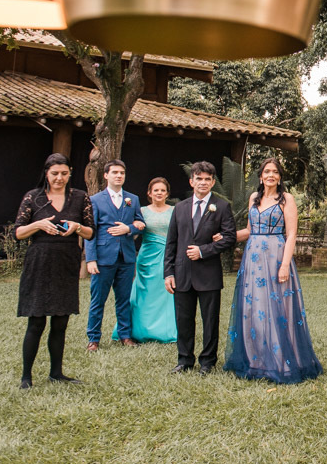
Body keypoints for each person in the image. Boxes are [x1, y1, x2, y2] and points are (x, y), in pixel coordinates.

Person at [224, 157, 323, 384]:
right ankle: (257, 360)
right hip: (253, 259)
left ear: (280, 177)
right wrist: (225, 237)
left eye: (275, 172)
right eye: (267, 171)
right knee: (254, 307)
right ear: (261, 176)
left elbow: (291, 234)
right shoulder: (254, 198)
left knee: (280, 308)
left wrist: (285, 264)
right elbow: (249, 230)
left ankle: (283, 360)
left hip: (276, 256)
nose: (271, 175)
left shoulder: (286, 199)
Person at [13, 153, 94, 389]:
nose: (59, 178)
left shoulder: (80, 198)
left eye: (64, 173)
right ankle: (26, 376)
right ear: (46, 173)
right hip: (39, 263)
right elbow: (17, 232)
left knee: (60, 322)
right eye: (54, 173)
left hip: (66, 263)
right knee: (36, 322)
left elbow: (91, 232)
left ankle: (56, 373)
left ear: (70, 173)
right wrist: (37, 224)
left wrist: (78, 227)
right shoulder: (33, 197)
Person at [164, 161, 235, 374]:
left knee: (210, 320)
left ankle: (207, 362)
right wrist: (168, 272)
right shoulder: (180, 207)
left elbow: (230, 237)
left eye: (207, 179)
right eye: (199, 178)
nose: (202, 183)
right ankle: (184, 360)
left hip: (208, 274)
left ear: (213, 182)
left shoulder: (221, 207)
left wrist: (204, 250)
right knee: (183, 320)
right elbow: (171, 242)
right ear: (191, 181)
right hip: (182, 273)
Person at [85, 159, 145, 351]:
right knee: (98, 300)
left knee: (124, 299)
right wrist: (91, 259)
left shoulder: (132, 199)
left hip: (126, 258)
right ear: (106, 175)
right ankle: (93, 338)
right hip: (103, 258)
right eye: (115, 172)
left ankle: (125, 335)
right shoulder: (95, 200)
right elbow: (90, 231)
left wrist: (127, 229)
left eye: (122, 173)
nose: (119, 176)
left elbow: (140, 224)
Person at [113, 177, 177, 343]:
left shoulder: (174, 210)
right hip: (147, 256)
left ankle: (164, 330)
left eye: (163, 190)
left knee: (165, 292)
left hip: (167, 255)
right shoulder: (141, 211)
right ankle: (139, 329)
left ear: (167, 193)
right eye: (156, 190)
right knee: (144, 292)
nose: (159, 193)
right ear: (149, 193)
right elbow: (132, 232)